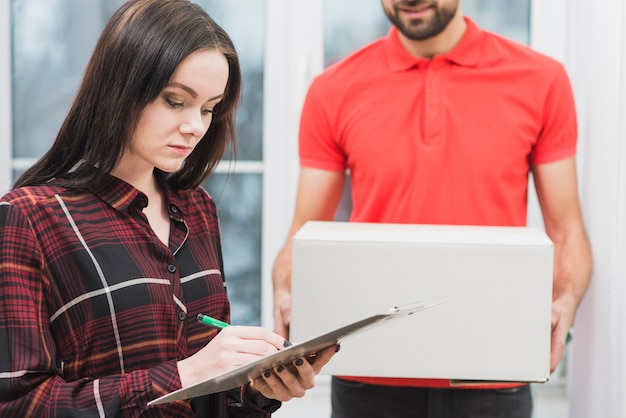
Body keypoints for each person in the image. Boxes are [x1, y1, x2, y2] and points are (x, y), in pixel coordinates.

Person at [0, 0, 337, 417]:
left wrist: (255, 388)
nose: (195, 125)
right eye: (176, 101)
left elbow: (211, 395)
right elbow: (17, 405)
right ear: (120, 89)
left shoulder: (198, 209)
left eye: (209, 108)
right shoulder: (30, 218)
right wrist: (184, 375)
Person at [272, 0, 593, 417]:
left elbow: (567, 231)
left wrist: (564, 302)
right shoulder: (333, 88)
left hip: (493, 376)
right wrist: (285, 288)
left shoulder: (542, 80)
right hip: (368, 377)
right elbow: (304, 231)